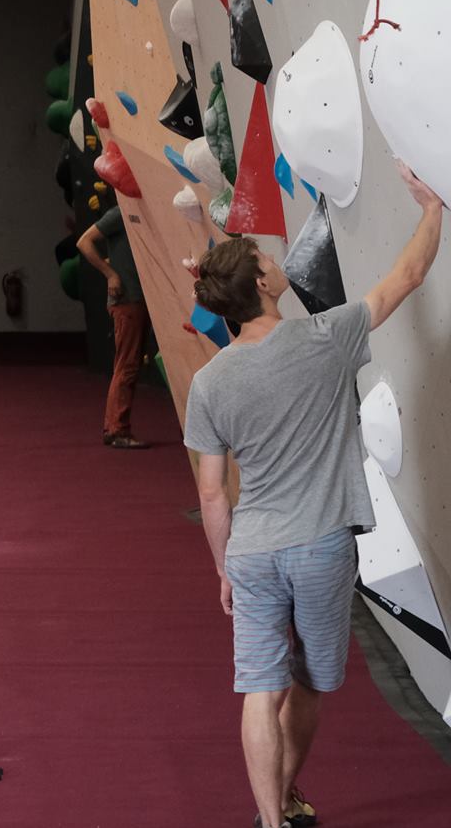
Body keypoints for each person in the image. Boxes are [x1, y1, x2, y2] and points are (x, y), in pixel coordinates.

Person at [184, 164, 442, 828]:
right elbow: (407, 277)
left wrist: (221, 566)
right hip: (323, 548)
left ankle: (271, 820)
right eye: (268, 257)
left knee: (258, 687)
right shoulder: (326, 337)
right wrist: (433, 207)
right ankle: (288, 790)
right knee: (308, 684)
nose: (275, 258)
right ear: (266, 283)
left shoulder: (210, 382)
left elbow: (212, 495)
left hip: (253, 550)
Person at [78, 204, 152, 448]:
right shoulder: (120, 213)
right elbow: (84, 242)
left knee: (128, 363)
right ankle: (117, 429)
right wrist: (110, 274)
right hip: (127, 299)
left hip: (139, 297)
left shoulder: (141, 212)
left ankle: (116, 427)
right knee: (127, 364)